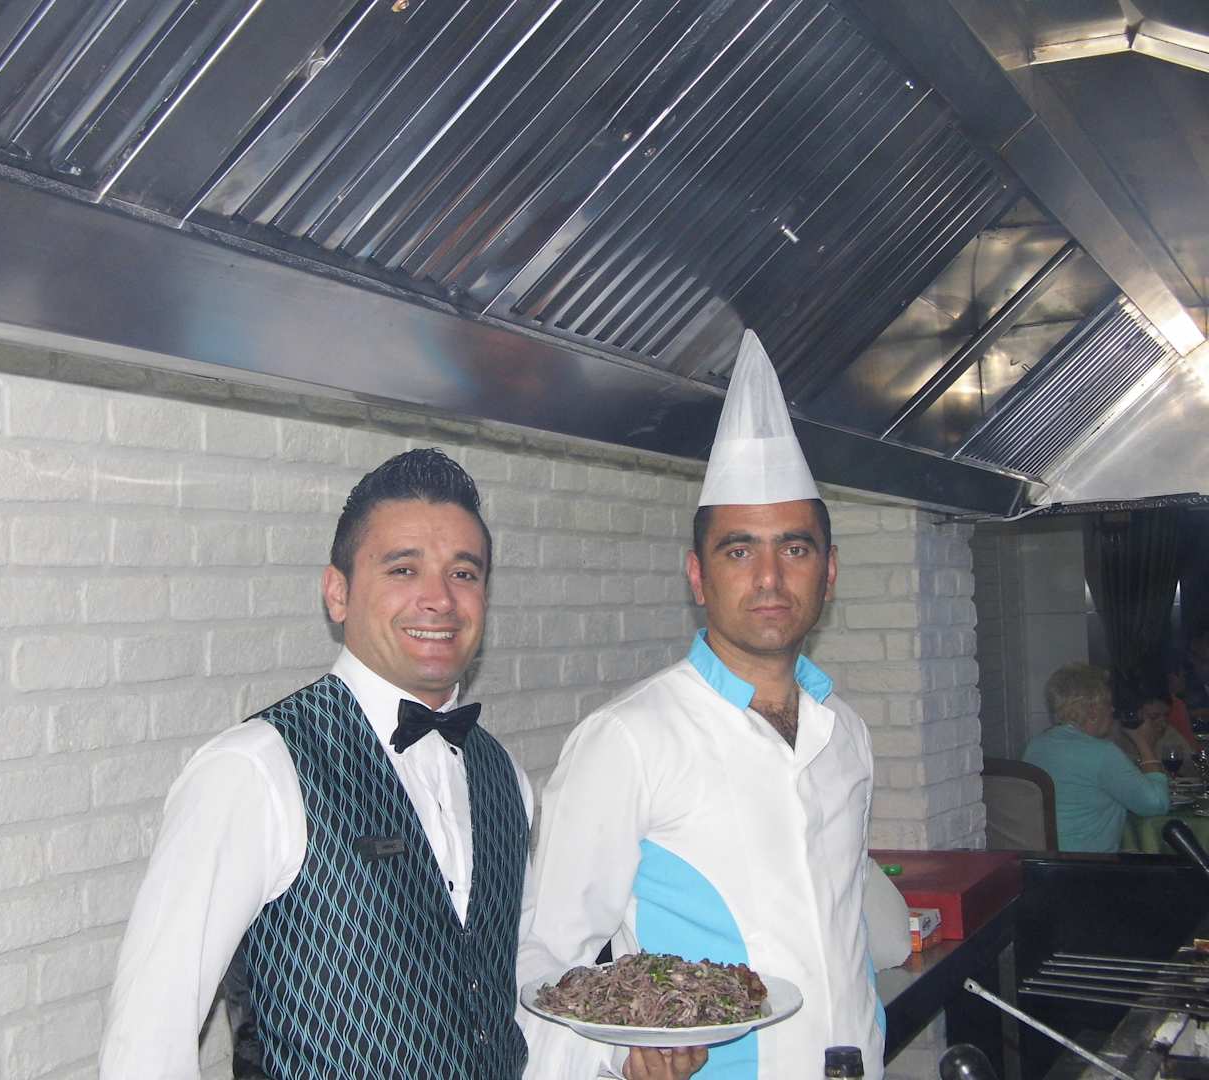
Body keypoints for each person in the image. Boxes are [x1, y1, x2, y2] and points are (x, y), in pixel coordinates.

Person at [102, 448, 545, 1080]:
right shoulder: (255, 771)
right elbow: (147, 1042)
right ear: (338, 593)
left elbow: (519, 987)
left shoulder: (507, 780)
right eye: (403, 569)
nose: (439, 599)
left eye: (463, 573)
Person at [518, 332, 893, 1079]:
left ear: (829, 573)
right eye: (738, 550)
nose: (769, 577)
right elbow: (544, 954)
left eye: (795, 549)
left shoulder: (845, 733)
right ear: (698, 576)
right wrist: (617, 1056)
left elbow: (841, 926)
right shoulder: (628, 738)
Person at [1022, 663, 1169, 852]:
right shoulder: (1102, 753)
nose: (1112, 710)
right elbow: (1157, 804)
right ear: (1092, 712)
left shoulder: (1036, 745)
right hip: (1089, 865)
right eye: (1108, 704)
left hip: (1044, 861)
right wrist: (1143, 742)